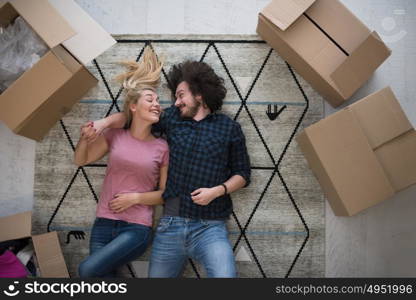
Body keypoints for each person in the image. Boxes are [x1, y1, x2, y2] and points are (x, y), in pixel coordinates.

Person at [91, 60, 251, 278]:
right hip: (171, 226)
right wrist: (104, 123)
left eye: (181, 95)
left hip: (210, 227)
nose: (176, 102)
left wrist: (216, 191)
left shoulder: (229, 128)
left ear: (199, 94)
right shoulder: (171, 119)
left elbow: (242, 174)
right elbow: (130, 119)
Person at [74, 47, 169, 278]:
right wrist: (85, 139)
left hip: (136, 229)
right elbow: (81, 159)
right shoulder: (115, 136)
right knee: (102, 281)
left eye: (158, 100)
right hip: (104, 223)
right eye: (150, 99)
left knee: (87, 270)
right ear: (134, 107)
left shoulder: (162, 147)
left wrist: (135, 198)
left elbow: (166, 194)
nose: (157, 103)